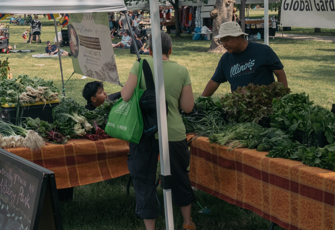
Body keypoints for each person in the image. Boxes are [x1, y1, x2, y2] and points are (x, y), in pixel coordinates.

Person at [120, 33, 196, 230]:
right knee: (180, 176)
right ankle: (187, 222)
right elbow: (188, 107)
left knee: (144, 180)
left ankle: (151, 228)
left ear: (150, 50)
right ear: (170, 50)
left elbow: (126, 96)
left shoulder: (140, 65)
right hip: (173, 133)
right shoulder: (182, 70)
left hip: (143, 133)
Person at [201, 21, 288, 97]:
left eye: (226, 40)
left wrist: (282, 97)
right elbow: (215, 82)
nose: (223, 44)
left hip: (265, 104)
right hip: (240, 107)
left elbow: (280, 73)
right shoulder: (226, 59)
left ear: (238, 37)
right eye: (221, 41)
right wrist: (201, 100)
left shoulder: (263, 51)